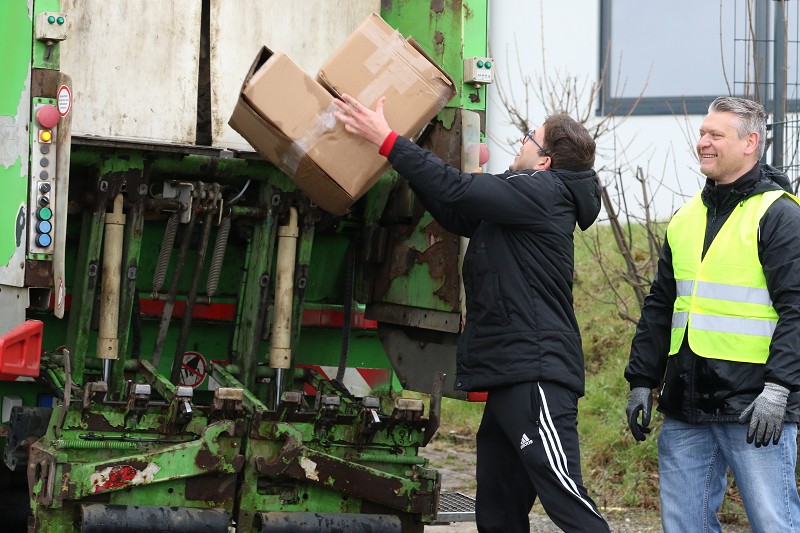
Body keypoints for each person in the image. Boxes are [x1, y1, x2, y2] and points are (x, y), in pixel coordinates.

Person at [333, 94, 609, 533]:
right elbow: (455, 209)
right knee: (498, 513)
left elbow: (458, 188)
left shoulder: (543, 193)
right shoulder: (526, 199)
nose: (520, 142)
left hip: (536, 375)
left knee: (567, 501)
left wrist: (388, 140)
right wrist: (404, 152)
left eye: (529, 138)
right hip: (510, 376)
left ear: (545, 161)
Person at [625, 96, 800, 532]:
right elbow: (661, 305)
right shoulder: (686, 218)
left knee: (774, 523)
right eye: (702, 133)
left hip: (755, 405)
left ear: (750, 143)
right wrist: (642, 380)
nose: (703, 142)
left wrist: (778, 390)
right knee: (684, 525)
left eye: (715, 135)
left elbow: (797, 308)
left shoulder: (779, 215)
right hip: (687, 403)